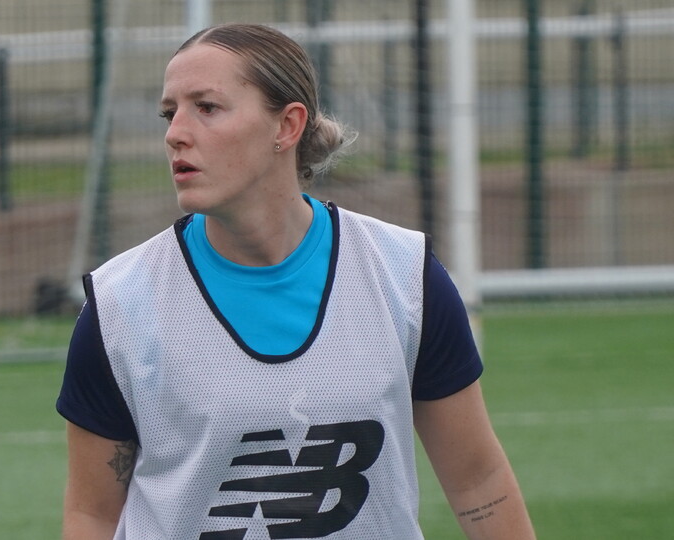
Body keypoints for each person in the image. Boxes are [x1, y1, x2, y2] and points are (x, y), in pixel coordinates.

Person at [57, 23, 535, 540]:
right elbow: (93, 515)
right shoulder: (120, 304)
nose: (175, 132)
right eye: (170, 113)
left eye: (207, 107)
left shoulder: (403, 276)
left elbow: (478, 481)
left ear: (287, 126)